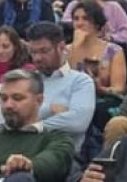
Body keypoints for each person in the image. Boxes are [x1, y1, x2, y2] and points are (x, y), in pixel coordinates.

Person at [27, 22, 95, 154]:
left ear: (61, 47)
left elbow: (78, 122)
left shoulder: (81, 81)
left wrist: (35, 126)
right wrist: (50, 109)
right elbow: (5, 117)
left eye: (44, 51)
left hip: (63, 156)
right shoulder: (27, 81)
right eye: (33, 52)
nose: (37, 58)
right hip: (24, 151)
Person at [67, 1, 127, 98]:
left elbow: (119, 88)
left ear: (96, 24)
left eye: (85, 19)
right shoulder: (65, 51)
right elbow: (67, 82)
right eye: (76, 19)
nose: (79, 23)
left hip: (103, 101)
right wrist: (75, 48)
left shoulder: (114, 51)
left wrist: (101, 89)